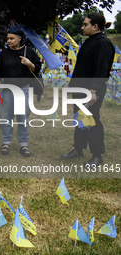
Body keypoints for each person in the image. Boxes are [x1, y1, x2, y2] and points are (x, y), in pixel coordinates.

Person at [62, 13, 114, 167]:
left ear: (95, 26)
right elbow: (82, 68)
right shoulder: (89, 42)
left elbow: (101, 69)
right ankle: (78, 149)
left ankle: (97, 156)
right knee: (80, 120)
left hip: (91, 91)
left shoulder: (103, 43)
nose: (82, 27)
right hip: (80, 89)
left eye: (85, 24)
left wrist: (93, 91)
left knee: (92, 121)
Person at [0, 26, 41, 157]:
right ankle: (6, 142)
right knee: (7, 117)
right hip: (7, 89)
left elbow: (37, 68)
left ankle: (23, 144)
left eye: (12, 38)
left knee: (22, 117)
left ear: (20, 39)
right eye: (7, 38)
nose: (9, 41)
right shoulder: (4, 54)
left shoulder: (28, 51)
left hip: (24, 88)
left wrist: (28, 63)